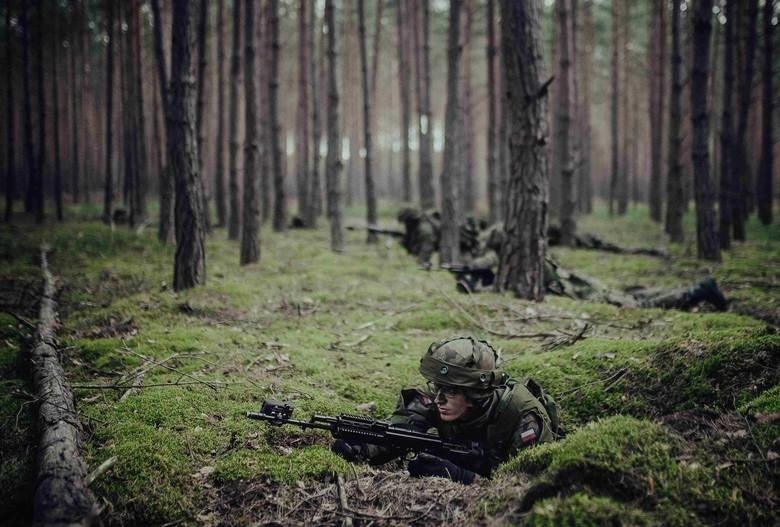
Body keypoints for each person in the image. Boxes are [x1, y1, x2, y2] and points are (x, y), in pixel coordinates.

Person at [331, 336, 561, 484]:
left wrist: (461, 476)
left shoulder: (523, 417)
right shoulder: (433, 396)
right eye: (437, 387)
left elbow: (526, 488)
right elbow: (400, 431)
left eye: (451, 391)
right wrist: (361, 447)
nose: (438, 399)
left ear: (475, 393)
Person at [458, 223, 727, 311]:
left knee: (636, 304)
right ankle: (694, 290)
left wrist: (477, 288)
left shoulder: (520, 264)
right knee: (636, 294)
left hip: (584, 293)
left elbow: (508, 287)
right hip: (584, 285)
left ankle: (698, 291)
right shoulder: (526, 257)